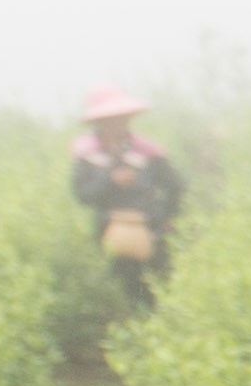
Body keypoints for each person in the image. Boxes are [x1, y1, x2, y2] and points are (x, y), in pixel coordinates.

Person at [70, 90, 187, 309]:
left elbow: (176, 187)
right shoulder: (87, 155)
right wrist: (110, 180)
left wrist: (164, 217)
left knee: (161, 292)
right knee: (129, 294)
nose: (118, 123)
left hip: (153, 233)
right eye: (110, 119)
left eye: (122, 117)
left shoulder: (147, 151)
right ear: (99, 121)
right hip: (112, 235)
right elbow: (83, 196)